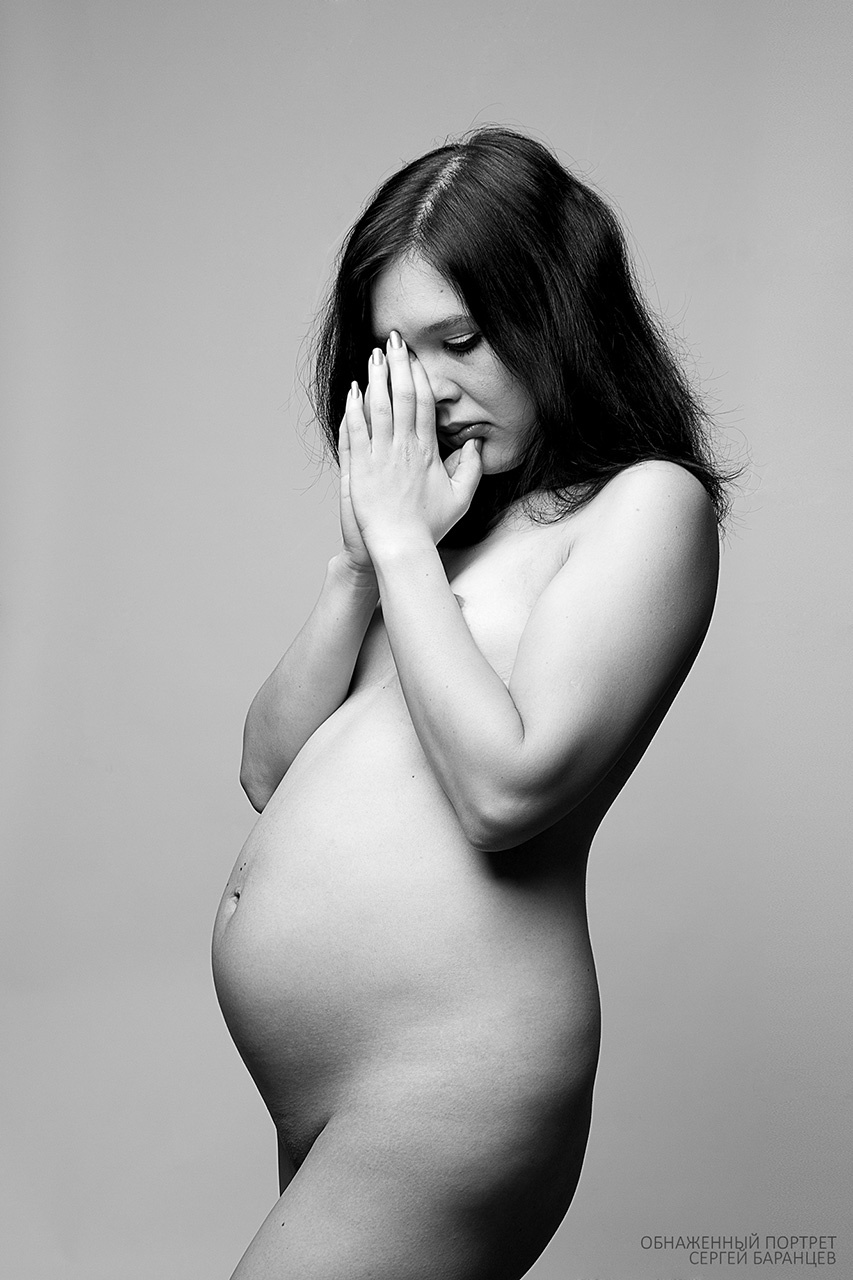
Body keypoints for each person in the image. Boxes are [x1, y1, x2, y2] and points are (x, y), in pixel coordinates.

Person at [212, 127, 729, 1280]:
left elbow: (505, 791)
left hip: (449, 1080)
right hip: (342, 1090)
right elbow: (267, 770)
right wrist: (364, 560)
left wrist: (403, 545)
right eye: (398, 351)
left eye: (461, 339)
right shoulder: (438, 544)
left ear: (558, 319)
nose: (431, 386)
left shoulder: (646, 506)